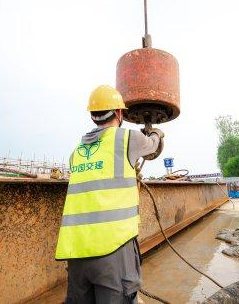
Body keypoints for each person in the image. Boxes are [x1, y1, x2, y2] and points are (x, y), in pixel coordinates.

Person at [55, 85, 164, 303]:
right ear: (119, 113)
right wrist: (156, 132)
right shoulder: (127, 139)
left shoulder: (76, 153)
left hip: (76, 253)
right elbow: (153, 146)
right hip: (113, 249)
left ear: (92, 116)